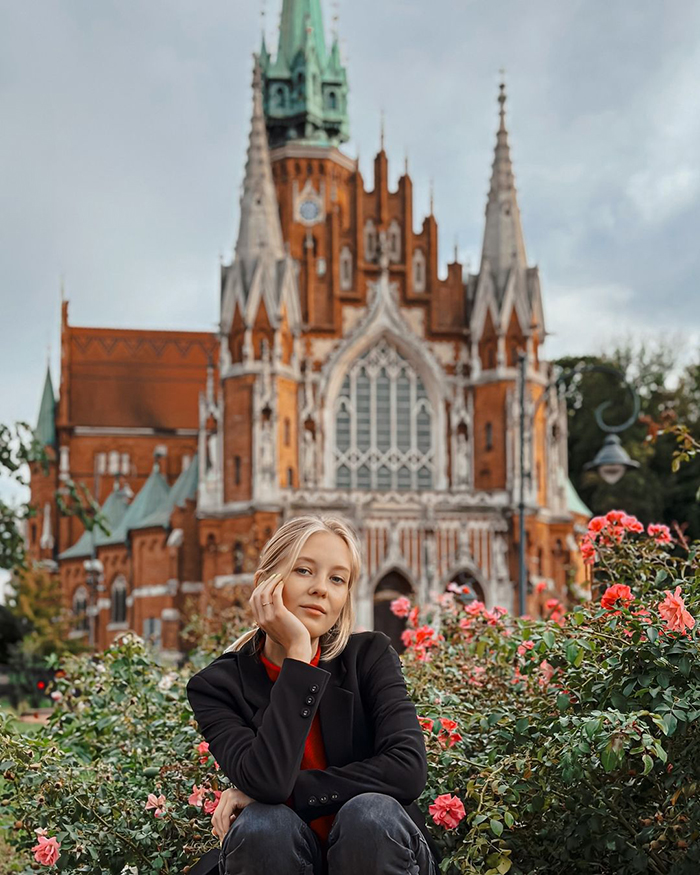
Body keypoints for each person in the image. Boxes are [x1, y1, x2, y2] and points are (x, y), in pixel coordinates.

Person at [186, 514, 441, 875]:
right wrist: (298, 655)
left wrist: (296, 791)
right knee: (263, 824)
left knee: (368, 815)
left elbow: (407, 770)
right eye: (304, 571)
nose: (321, 588)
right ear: (265, 585)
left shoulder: (369, 656)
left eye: (337, 579)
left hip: (380, 852)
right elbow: (268, 783)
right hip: (280, 853)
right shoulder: (217, 686)